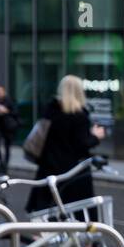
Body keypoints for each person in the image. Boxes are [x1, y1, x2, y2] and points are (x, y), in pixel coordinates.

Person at [25, 75, 105, 214]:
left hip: (49, 169)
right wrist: (96, 136)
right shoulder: (79, 115)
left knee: (47, 213)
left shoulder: (50, 111)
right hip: (72, 174)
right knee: (76, 215)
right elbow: (81, 145)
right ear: (79, 91)